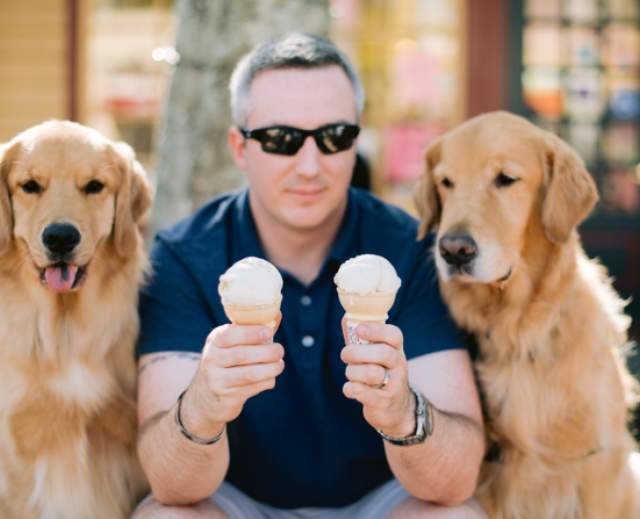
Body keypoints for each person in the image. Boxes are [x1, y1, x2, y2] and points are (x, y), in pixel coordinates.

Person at [134, 32, 486, 518]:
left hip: (381, 500)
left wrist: (403, 412)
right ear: (240, 147)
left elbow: (457, 480)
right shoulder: (183, 257)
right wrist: (203, 406)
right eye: (281, 140)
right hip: (236, 501)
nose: (310, 166)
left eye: (334, 137)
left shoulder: (408, 250)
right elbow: (172, 485)